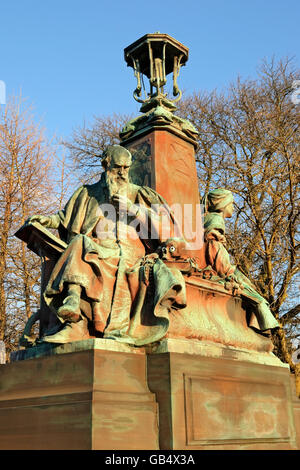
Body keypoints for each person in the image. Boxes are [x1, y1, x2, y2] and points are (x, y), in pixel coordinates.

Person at [26, 145, 186, 345]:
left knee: (83, 247)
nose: (122, 173)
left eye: (126, 168)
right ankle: (73, 305)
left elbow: (165, 228)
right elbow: (64, 218)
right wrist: (45, 220)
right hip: (96, 249)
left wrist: (134, 210)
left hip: (128, 254)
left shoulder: (139, 194)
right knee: (80, 241)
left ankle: (76, 315)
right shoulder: (87, 193)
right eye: (118, 167)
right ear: (105, 165)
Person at [201, 188, 279, 332]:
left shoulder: (213, 222)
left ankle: (261, 326)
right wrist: (230, 274)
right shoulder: (215, 221)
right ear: (223, 204)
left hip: (226, 267)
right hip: (225, 270)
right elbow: (216, 255)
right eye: (231, 203)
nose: (233, 207)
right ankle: (262, 327)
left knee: (254, 291)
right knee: (257, 298)